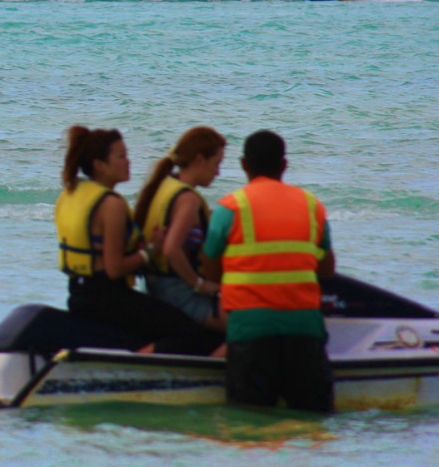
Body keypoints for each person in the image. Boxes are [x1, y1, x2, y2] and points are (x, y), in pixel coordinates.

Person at [56, 126, 224, 356]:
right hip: (106, 297)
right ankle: (136, 367)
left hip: (79, 293)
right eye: (121, 156)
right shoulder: (111, 205)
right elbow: (114, 269)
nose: (129, 162)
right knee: (189, 334)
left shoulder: (73, 192)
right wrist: (150, 252)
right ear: (99, 165)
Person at [200, 130, 335, 412]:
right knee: (312, 420)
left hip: (250, 332)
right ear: (284, 165)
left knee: (250, 422)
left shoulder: (229, 208)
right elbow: (327, 270)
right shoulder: (312, 206)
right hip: (304, 330)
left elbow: (209, 271)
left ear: (244, 165)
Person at [134, 127, 227, 331]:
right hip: (178, 293)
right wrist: (199, 285)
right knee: (246, 325)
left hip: (153, 287)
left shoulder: (164, 185)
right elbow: (171, 249)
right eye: (216, 164)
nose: (218, 172)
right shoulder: (188, 199)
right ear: (200, 160)